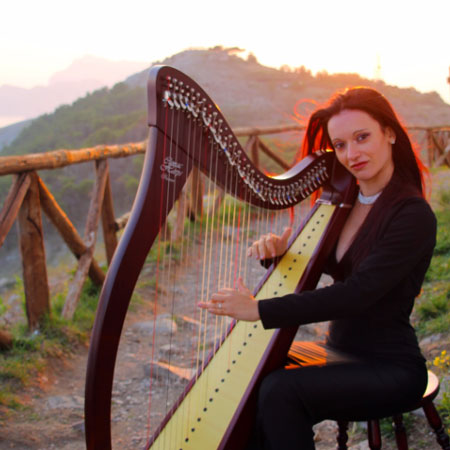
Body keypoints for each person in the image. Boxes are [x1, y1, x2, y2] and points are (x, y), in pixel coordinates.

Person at [198, 86, 437, 449]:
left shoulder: (411, 214)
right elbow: (328, 266)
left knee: (281, 390)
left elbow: (356, 294)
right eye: (340, 145)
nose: (351, 154)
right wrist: (279, 253)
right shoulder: (346, 202)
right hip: (339, 351)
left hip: (390, 367)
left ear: (389, 133)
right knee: (252, 370)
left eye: (362, 137)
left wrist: (258, 309)